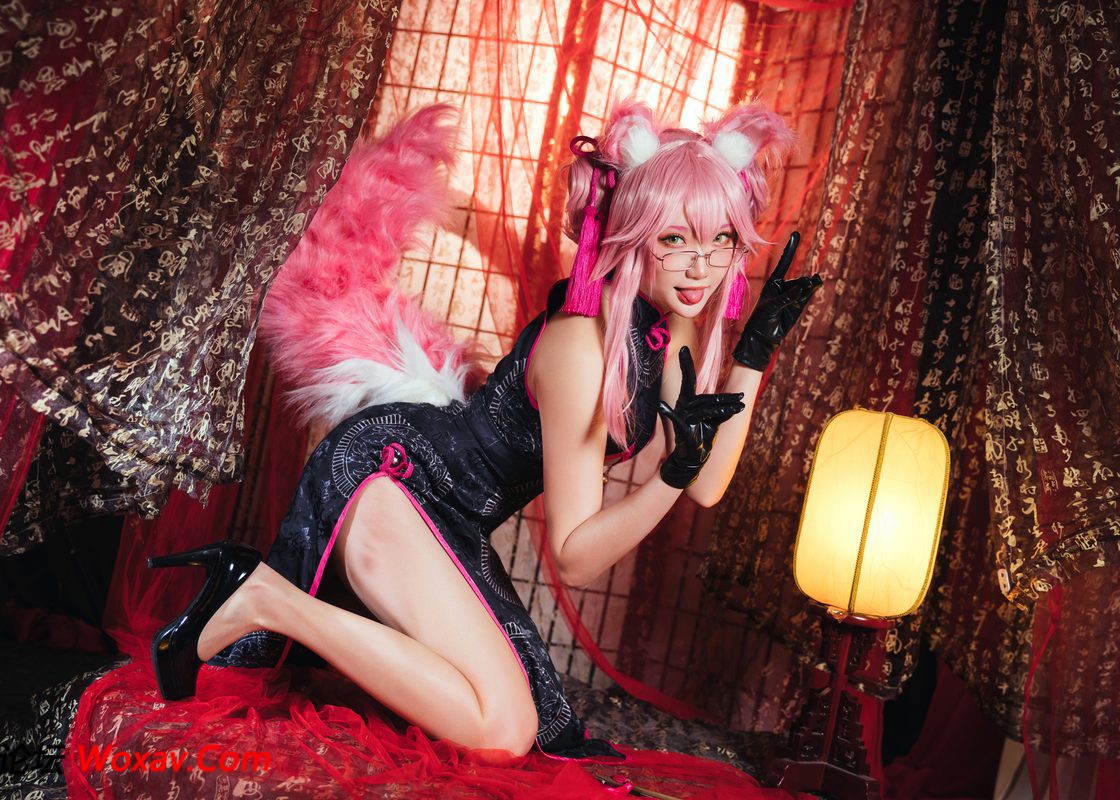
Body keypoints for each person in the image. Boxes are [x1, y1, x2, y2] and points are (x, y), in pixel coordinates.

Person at [146, 100, 822, 761]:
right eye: (675, 240)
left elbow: (705, 486)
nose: (701, 266)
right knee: (502, 731)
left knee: (523, 719)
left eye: (721, 240)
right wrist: (668, 478)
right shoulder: (583, 349)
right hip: (391, 481)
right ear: (633, 230)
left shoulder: (667, 330)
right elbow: (576, 556)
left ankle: (272, 600)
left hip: (452, 521)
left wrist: (753, 355)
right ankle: (264, 596)